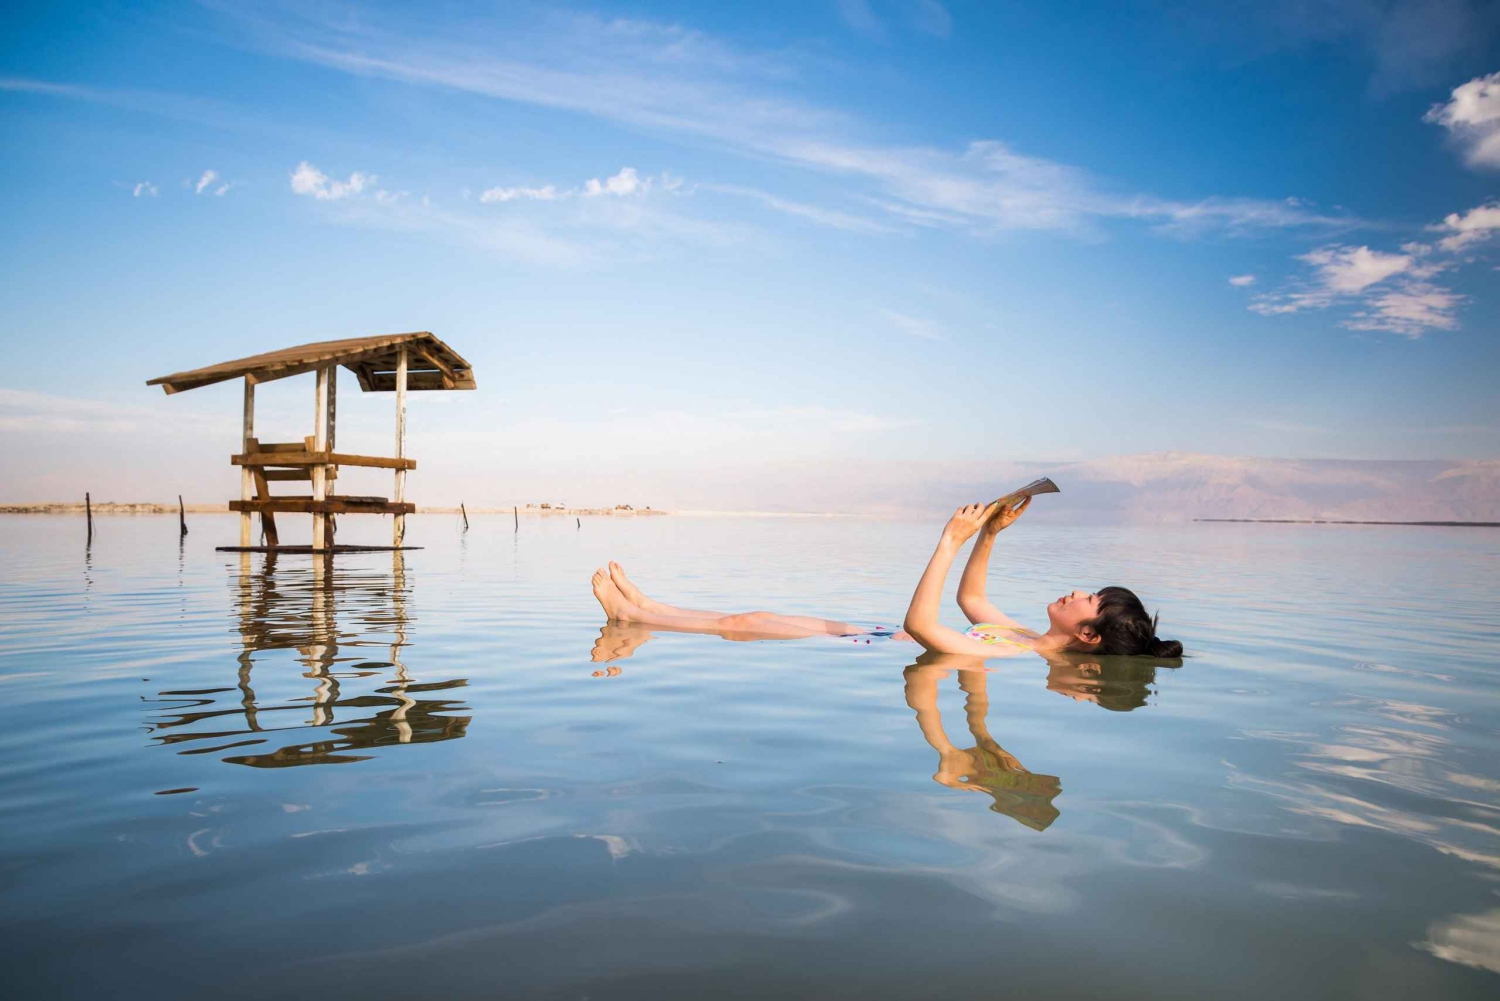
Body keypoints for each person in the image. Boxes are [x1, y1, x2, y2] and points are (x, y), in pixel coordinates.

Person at [589, 497, 1183, 660]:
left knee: (746, 625)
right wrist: (991, 533)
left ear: (1088, 635)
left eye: (1090, 600)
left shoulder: (1017, 657)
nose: (1078, 592)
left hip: (863, 648)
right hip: (871, 633)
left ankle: (634, 618)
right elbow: (971, 599)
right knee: (757, 612)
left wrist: (949, 540)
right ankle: (649, 606)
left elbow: (922, 624)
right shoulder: (1025, 637)